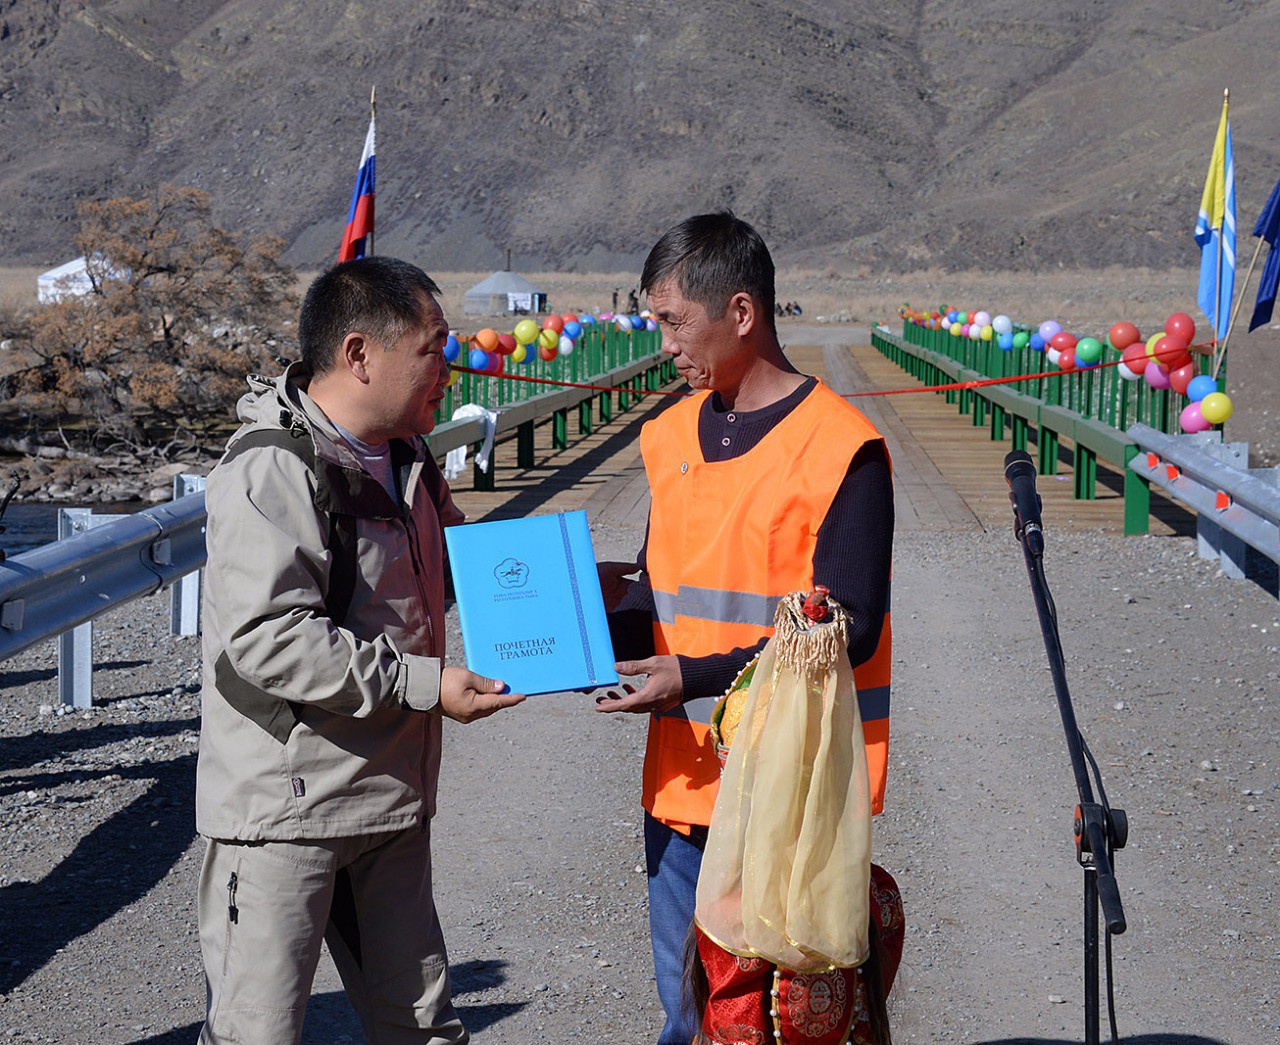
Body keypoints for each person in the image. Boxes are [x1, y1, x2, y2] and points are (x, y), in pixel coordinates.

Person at [195, 256, 524, 1045]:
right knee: (256, 1034)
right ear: (359, 354)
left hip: (389, 800)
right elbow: (272, 640)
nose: (450, 368)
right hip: (286, 812)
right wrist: (426, 684)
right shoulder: (273, 466)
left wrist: (572, 583)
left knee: (423, 1028)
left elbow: (459, 564)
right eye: (433, 348)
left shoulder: (408, 455)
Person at [596, 211, 894, 1045]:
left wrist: (688, 677)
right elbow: (661, 594)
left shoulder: (842, 448)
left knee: (779, 1028)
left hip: (787, 798)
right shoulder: (668, 435)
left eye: (673, 321)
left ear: (739, 312)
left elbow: (848, 630)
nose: (664, 345)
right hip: (680, 786)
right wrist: (571, 627)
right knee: (691, 1017)